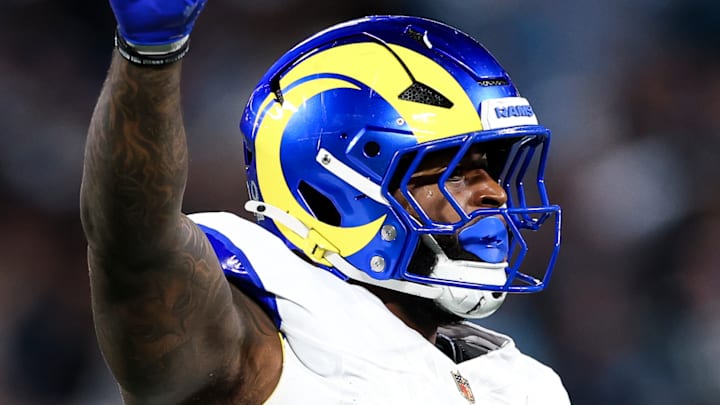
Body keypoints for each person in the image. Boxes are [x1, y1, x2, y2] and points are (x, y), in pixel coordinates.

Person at [80, 0, 569, 403]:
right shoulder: (265, 338)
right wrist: (151, 54)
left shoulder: (524, 384)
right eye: (453, 171)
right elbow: (134, 244)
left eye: (490, 167)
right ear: (336, 190)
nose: (494, 192)